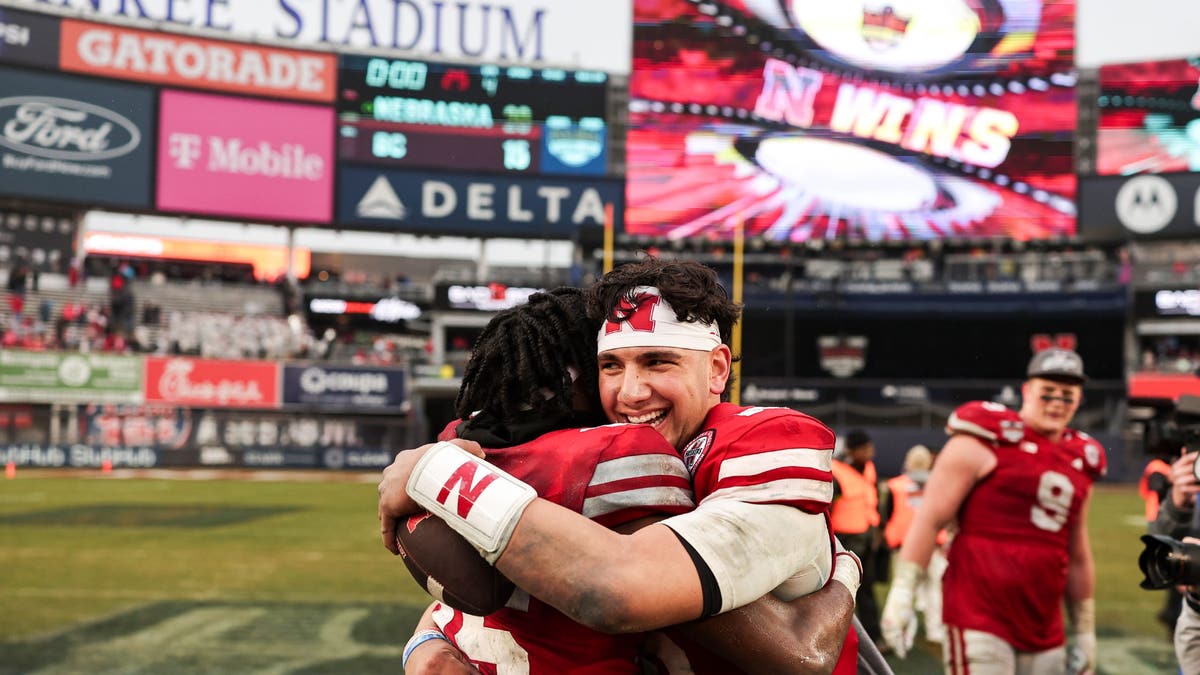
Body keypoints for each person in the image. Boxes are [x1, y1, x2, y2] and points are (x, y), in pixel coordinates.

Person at [382, 259, 860, 674]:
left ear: (717, 369)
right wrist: (427, 639)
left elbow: (799, 655)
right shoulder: (599, 451)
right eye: (611, 366)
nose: (630, 393)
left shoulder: (764, 440)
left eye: (658, 362)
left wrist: (435, 472)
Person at [401, 287, 697, 673]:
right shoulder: (620, 450)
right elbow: (687, 594)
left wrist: (423, 643)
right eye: (609, 364)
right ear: (583, 373)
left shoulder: (452, 443)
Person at [881, 348, 1105, 674]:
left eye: (1067, 396)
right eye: (1048, 393)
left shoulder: (1080, 458)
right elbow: (930, 518)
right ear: (1027, 391)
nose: (1057, 402)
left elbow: (1078, 552)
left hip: (1044, 622)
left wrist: (1084, 630)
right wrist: (903, 590)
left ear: (1079, 399)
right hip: (978, 613)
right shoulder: (987, 437)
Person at [880, 444, 947, 645]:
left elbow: (887, 516)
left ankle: (900, 632)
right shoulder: (940, 484)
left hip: (905, 545)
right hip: (932, 544)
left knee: (903, 590)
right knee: (934, 590)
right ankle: (934, 630)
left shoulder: (895, 485)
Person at [831, 429, 884, 650]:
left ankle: (874, 637)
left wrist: (877, 531)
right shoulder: (836, 472)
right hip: (845, 539)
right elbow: (828, 506)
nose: (870, 452)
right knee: (842, 591)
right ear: (852, 451)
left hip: (866, 536)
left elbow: (871, 501)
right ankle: (837, 639)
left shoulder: (868, 468)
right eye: (865, 448)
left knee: (867, 589)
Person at [1141, 452, 1182, 633]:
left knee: (1178, 567)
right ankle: (1172, 613)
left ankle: (1170, 611)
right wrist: (1171, 480)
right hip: (1160, 520)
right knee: (1174, 566)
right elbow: (1156, 488)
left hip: (1174, 519)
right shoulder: (1157, 466)